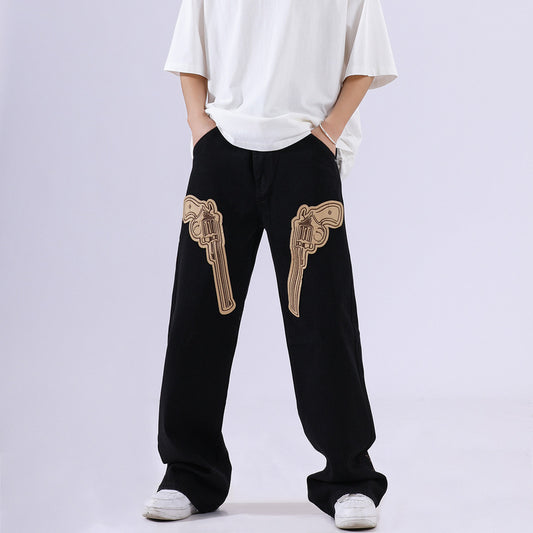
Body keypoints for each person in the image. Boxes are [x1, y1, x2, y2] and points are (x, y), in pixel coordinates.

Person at [143, 0, 398, 529]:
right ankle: (187, 473)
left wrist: (327, 135)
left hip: (306, 151)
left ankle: (348, 478)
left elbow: (366, 61)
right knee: (197, 317)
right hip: (222, 152)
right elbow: (190, 54)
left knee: (323, 320)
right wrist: (200, 130)